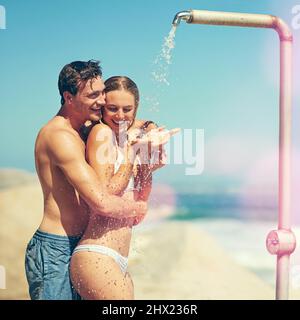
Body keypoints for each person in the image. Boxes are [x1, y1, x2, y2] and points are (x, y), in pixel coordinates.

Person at [24, 61, 148, 300]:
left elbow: (127, 118)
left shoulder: (83, 128)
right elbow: (101, 202)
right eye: (93, 95)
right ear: (68, 97)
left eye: (102, 92)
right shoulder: (60, 137)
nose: (101, 101)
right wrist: (138, 208)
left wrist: (148, 127)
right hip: (55, 247)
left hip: (78, 242)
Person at [70, 76, 179, 300]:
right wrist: (133, 152)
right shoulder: (102, 134)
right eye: (112, 109)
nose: (120, 116)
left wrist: (148, 165)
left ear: (135, 109)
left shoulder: (122, 141)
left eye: (127, 109)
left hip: (117, 259)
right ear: (102, 108)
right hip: (96, 254)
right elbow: (105, 195)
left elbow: (139, 204)